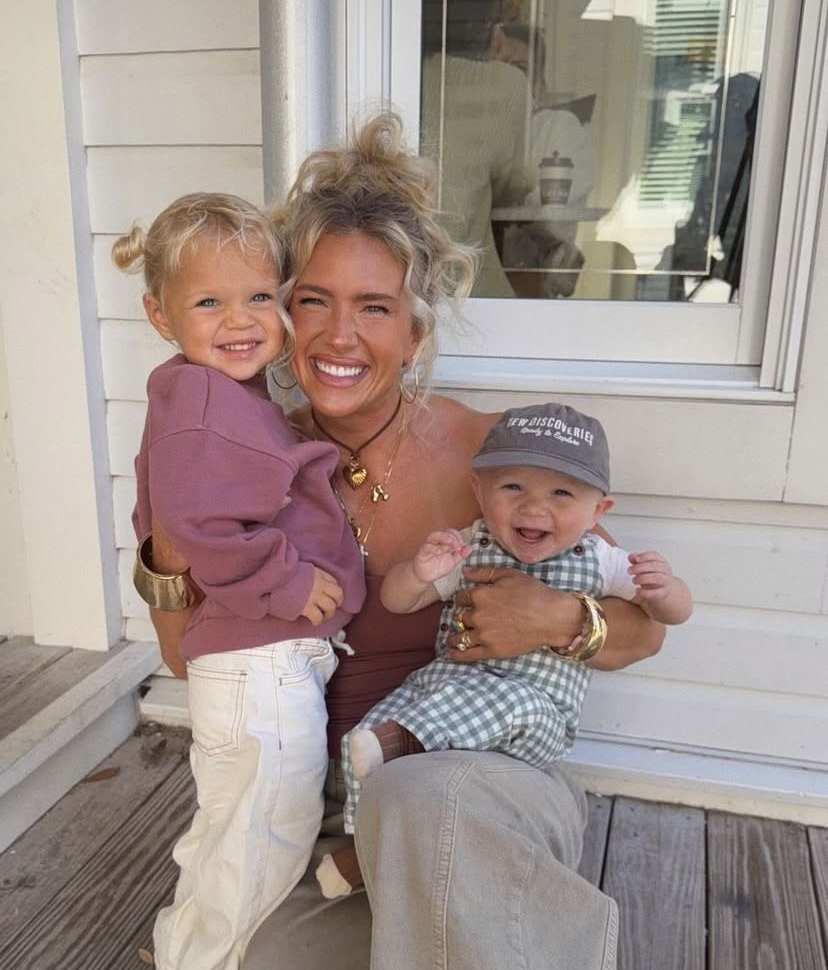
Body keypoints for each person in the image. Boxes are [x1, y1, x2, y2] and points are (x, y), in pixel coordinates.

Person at [136, 115, 666, 970]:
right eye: (313, 300)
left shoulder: (489, 457)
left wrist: (560, 618)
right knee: (267, 958)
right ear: (281, 311)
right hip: (336, 814)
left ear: (414, 334)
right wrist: (172, 517)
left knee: (425, 802)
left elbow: (643, 632)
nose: (339, 336)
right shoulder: (238, 461)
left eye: (374, 308)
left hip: (478, 781)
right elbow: (183, 658)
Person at [114, 192, 366, 970]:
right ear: (160, 315)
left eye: (260, 297)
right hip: (262, 667)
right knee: (262, 842)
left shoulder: (219, 395)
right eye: (209, 303)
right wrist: (287, 583)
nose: (240, 320)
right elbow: (197, 526)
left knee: (232, 832)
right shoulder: (202, 400)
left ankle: (179, 949)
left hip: (258, 666)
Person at [316, 401, 692, 897]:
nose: (534, 508)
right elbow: (398, 601)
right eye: (513, 487)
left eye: (561, 493)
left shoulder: (602, 560)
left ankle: (398, 777)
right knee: (370, 733)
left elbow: (665, 621)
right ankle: (366, 845)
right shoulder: (469, 545)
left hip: (535, 713)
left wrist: (664, 590)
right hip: (446, 690)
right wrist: (420, 573)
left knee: (500, 710)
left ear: (598, 511)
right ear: (480, 491)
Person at [420, 0, 535, 298]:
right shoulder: (506, 85)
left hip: (400, 292)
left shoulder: (391, 72)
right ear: (487, 25)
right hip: (468, 292)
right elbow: (515, 185)